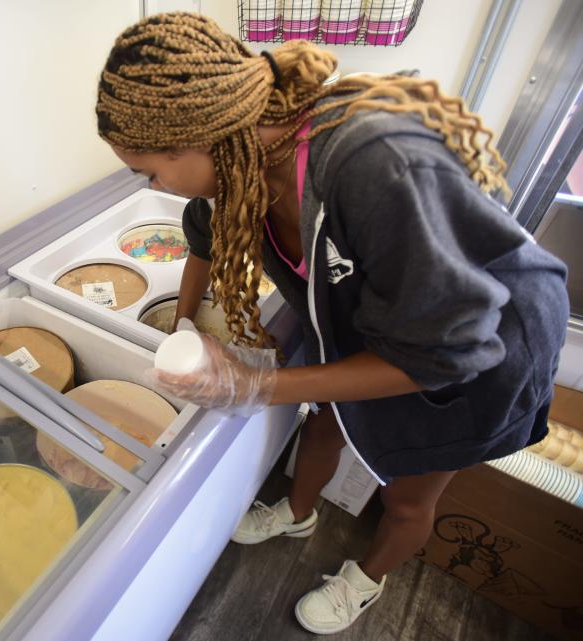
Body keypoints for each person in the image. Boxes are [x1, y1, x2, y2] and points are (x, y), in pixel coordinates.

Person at [95, 12, 569, 635]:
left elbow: (441, 353)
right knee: (324, 424)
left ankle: (364, 580)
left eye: (150, 171)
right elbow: (205, 242)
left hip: (475, 349)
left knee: (407, 494)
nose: (154, 185)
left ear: (197, 137)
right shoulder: (242, 164)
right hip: (381, 324)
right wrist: (181, 325)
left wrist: (258, 385)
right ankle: (297, 511)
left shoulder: (370, 161)